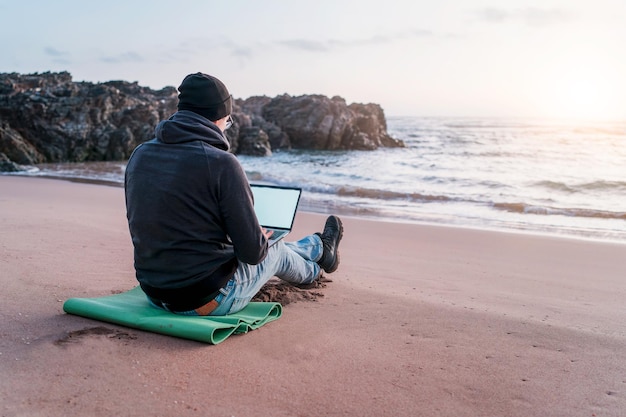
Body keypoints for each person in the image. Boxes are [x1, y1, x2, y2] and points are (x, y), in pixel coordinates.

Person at [124, 72, 343, 316]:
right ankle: (316, 270)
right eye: (227, 121)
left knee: (265, 241)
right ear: (217, 117)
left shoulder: (140, 154)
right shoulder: (222, 163)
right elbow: (253, 254)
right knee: (274, 249)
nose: (226, 129)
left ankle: (319, 248)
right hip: (204, 300)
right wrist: (256, 238)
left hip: (155, 292)